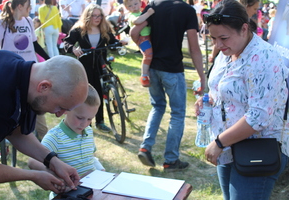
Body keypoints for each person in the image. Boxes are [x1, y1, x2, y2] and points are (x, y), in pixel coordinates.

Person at [196, 0, 289, 199]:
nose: (218, 45)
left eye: (223, 38)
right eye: (213, 38)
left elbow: (258, 117)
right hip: (230, 146)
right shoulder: (228, 52)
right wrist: (209, 99)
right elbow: (221, 88)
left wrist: (219, 143)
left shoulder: (264, 57)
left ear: (244, 28)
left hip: (258, 148)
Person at [0, 50, 89, 193]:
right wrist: (32, 175)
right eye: (60, 107)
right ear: (44, 87)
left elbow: (16, 131)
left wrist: (52, 161)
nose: (59, 115)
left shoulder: (23, 75)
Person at [131, 0, 205, 171]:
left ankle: (145, 147)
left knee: (157, 107)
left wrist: (145, 51)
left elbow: (134, 32)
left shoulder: (154, 5)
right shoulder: (187, 10)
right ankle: (171, 160)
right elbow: (194, 48)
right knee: (178, 113)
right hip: (172, 68)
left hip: (153, 67)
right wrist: (202, 76)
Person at [0, 0, 50, 156]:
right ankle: (4, 148)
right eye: (28, 5)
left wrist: (49, 59)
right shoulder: (2, 22)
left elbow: (35, 45)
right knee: (8, 116)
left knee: (38, 114)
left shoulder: (29, 21)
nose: (31, 8)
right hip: (11, 77)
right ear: (20, 6)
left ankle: (48, 153)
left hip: (32, 75)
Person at [28, 84, 104, 199]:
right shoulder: (54, 138)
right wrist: (57, 178)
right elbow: (33, 161)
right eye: (79, 118)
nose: (84, 124)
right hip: (67, 194)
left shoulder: (88, 131)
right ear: (66, 110)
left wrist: (101, 171)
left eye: (90, 119)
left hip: (91, 191)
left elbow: (91, 157)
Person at [64, 4, 127, 133]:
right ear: (88, 16)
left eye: (99, 15)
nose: (97, 18)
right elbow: (66, 42)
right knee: (85, 95)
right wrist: (74, 49)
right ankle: (86, 123)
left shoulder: (105, 28)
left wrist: (120, 43)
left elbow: (112, 43)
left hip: (100, 64)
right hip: (84, 66)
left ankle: (100, 121)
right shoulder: (79, 29)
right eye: (94, 16)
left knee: (99, 93)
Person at [124, 0, 154, 87]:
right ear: (127, 8)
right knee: (148, 55)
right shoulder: (132, 15)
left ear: (141, 3)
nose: (133, 7)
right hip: (142, 38)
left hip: (148, 37)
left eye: (135, 4)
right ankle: (144, 75)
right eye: (130, 6)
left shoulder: (141, 13)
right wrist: (148, 13)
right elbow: (137, 21)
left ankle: (147, 73)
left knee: (150, 55)